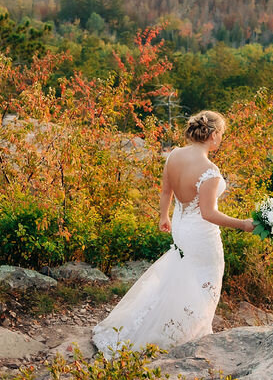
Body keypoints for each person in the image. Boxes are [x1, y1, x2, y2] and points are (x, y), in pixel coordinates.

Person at [92, 110, 254, 353]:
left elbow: (166, 191)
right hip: (201, 236)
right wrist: (243, 224)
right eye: (221, 133)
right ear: (213, 136)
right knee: (203, 280)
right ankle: (187, 334)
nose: (221, 138)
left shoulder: (174, 155)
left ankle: (169, 326)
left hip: (181, 227)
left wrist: (163, 216)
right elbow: (208, 213)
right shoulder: (210, 170)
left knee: (182, 276)